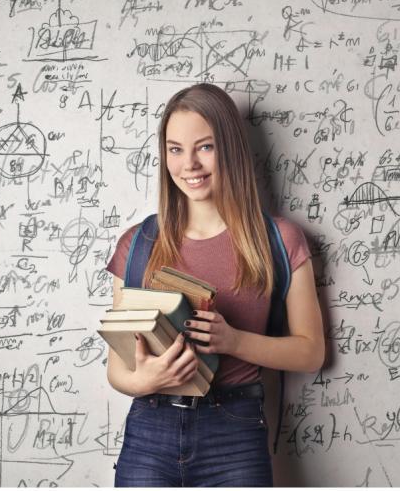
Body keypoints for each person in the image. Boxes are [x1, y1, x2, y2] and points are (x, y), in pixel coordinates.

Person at [104, 83, 325, 487]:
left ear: (231, 148)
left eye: (204, 147)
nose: (189, 164)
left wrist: (233, 341)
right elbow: (118, 369)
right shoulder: (137, 244)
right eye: (175, 149)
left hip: (235, 433)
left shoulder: (280, 240)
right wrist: (146, 380)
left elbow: (311, 352)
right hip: (149, 430)